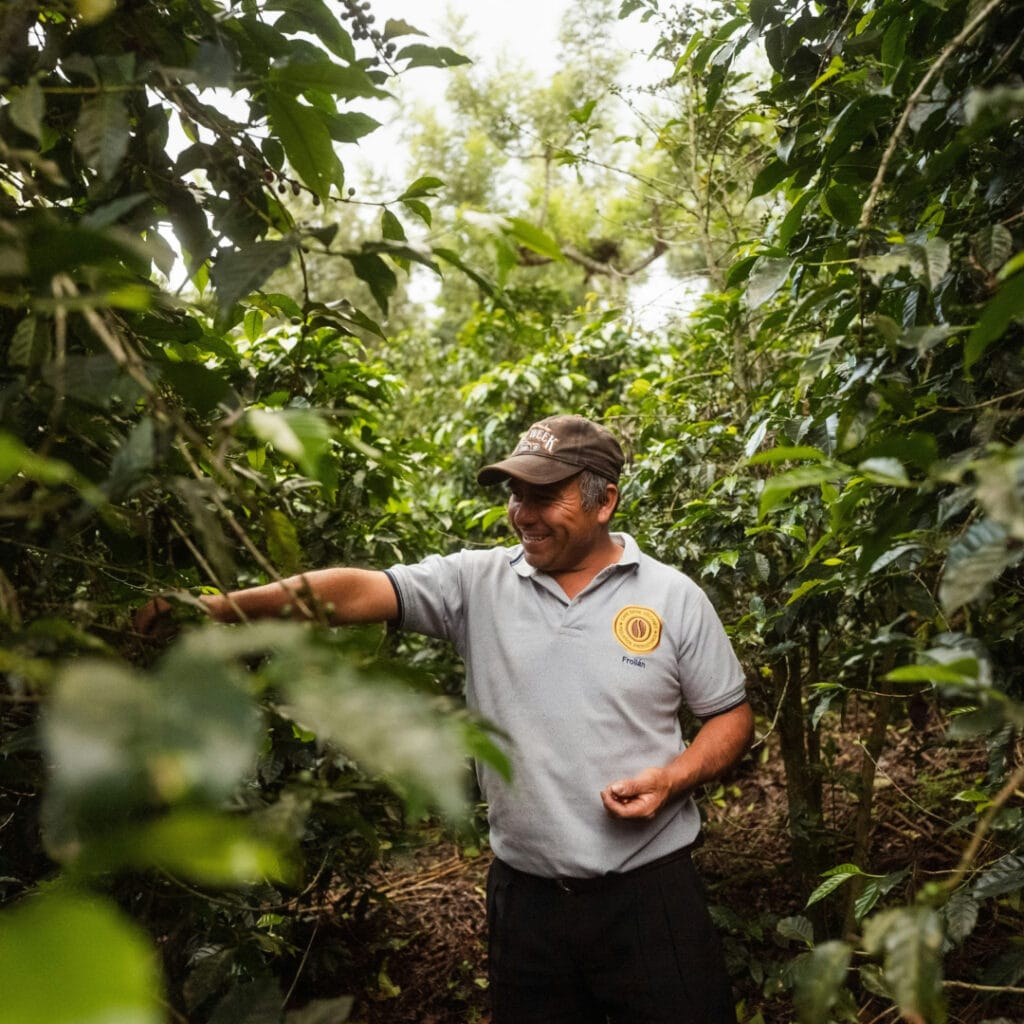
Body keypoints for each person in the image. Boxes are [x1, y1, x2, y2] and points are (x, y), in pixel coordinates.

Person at [136, 414, 754, 1024]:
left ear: (604, 501)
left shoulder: (672, 597)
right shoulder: (479, 583)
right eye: (516, 494)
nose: (523, 513)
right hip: (529, 906)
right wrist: (217, 609)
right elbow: (352, 592)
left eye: (545, 496)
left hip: (650, 897)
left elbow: (729, 715)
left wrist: (672, 779)